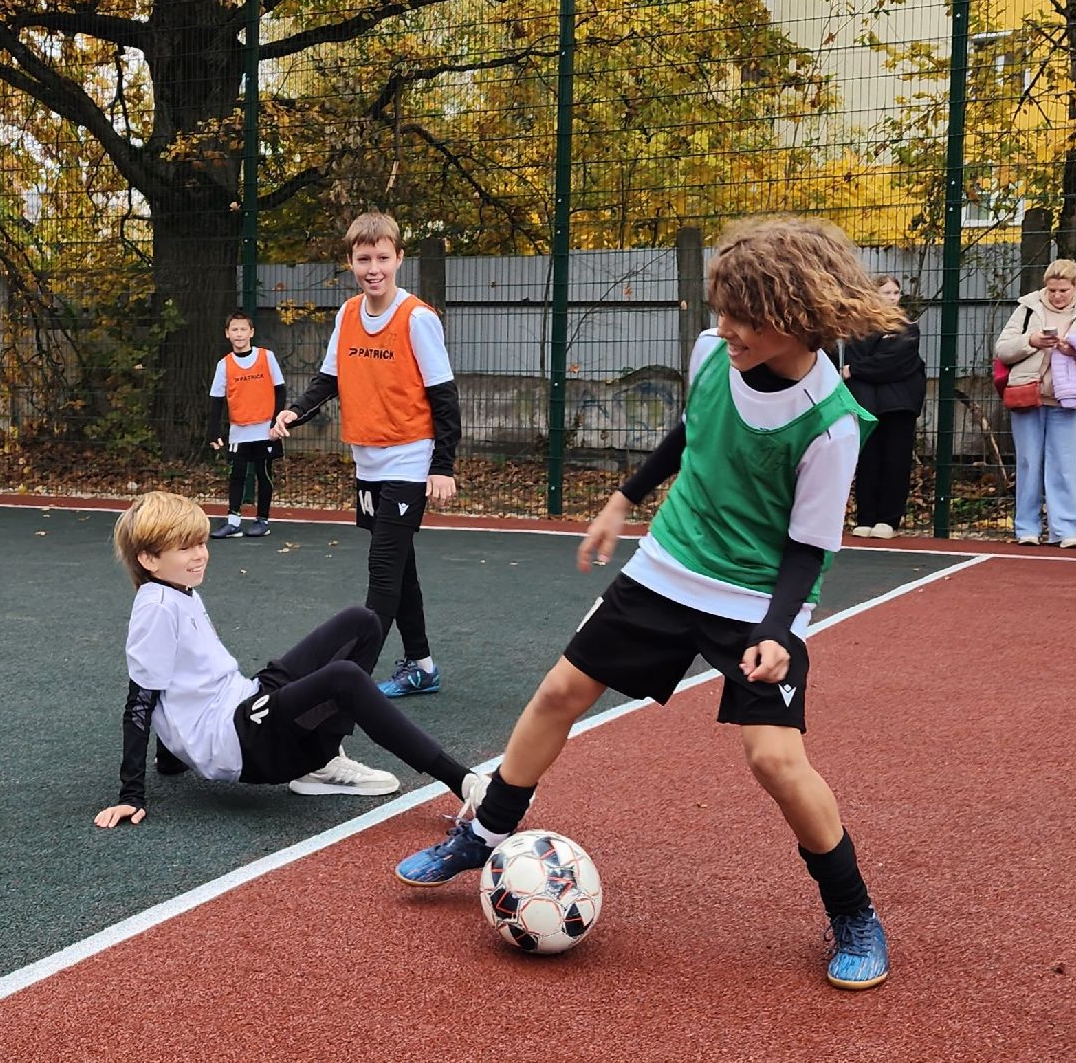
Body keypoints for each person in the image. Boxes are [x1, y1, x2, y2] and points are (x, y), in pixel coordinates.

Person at [394, 217, 901, 992]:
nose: (723, 327)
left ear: (792, 316)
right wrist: (622, 499)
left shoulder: (831, 423)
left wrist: (772, 632)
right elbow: (689, 434)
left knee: (773, 758)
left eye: (741, 316)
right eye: (720, 309)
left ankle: (853, 911)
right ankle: (485, 831)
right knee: (561, 691)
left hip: (759, 597)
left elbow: (809, 548)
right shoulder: (709, 353)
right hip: (668, 566)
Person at [95, 492, 484, 826]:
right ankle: (464, 782)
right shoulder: (157, 607)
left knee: (362, 622)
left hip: (248, 698)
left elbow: (177, 680)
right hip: (242, 741)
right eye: (186, 548)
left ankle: (320, 758)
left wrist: (171, 758)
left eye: (200, 543)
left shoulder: (179, 590)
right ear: (148, 558)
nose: (200, 555)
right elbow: (142, 699)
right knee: (343, 678)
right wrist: (132, 795)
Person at [271, 211, 460, 698]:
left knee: (382, 572)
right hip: (369, 461)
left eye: (382, 257)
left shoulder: (417, 319)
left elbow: (444, 397)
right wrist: (294, 412)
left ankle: (349, 682)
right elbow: (329, 379)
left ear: (399, 258)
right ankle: (421, 666)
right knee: (402, 569)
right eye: (363, 258)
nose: (372, 267)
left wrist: (442, 466)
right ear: (350, 262)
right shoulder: (348, 314)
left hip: (410, 459)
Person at [991, 259, 1076, 549]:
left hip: (1069, 400)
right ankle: (1027, 528)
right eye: (1052, 290)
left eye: (1063, 290)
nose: (1057, 296)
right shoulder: (1027, 309)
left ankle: (1064, 530)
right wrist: (1032, 340)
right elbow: (1002, 349)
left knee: (1065, 465)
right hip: (1028, 396)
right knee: (1027, 462)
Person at [839, 275, 925, 539]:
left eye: (895, 292)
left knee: (895, 461)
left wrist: (857, 370)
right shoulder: (857, 328)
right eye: (886, 292)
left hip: (899, 405)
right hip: (867, 404)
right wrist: (863, 368)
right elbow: (857, 358)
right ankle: (865, 518)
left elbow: (894, 362)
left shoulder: (907, 328)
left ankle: (888, 520)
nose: (892, 297)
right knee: (868, 459)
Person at [208, 309, 286, 538]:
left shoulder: (266, 357)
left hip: (265, 431)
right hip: (238, 432)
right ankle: (233, 522)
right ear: (227, 334)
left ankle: (262, 520)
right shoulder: (224, 365)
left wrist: (276, 421)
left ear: (251, 332)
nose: (239, 334)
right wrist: (213, 432)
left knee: (263, 474)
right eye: (235, 330)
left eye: (243, 329)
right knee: (237, 475)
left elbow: (280, 391)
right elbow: (216, 401)